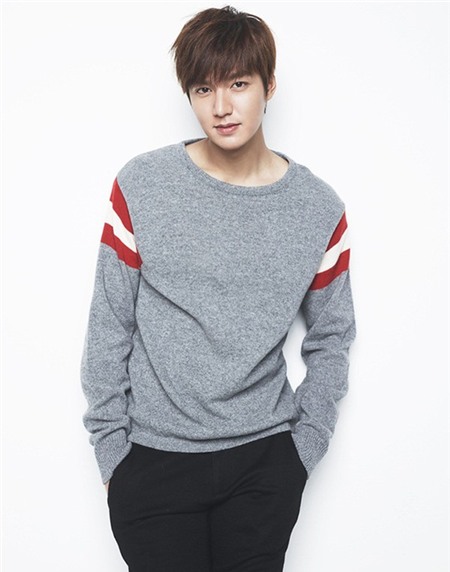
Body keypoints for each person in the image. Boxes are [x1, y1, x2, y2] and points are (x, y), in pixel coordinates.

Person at [81, 5, 356, 572]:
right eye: (203, 88)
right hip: (151, 463)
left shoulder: (318, 209)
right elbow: (110, 321)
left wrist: (304, 449)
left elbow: (332, 335)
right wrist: (112, 452)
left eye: (238, 84)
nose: (221, 107)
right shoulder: (143, 185)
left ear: (269, 85)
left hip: (263, 464)